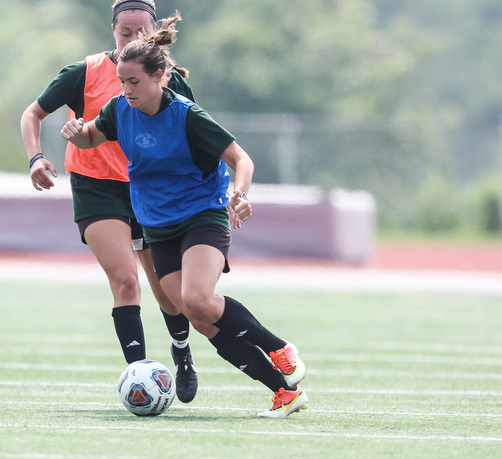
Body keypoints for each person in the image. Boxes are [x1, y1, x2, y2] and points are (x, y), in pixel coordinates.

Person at [60, 13, 309, 418]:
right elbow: (92, 135)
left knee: (197, 298)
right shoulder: (120, 108)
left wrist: (239, 194)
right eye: (122, 81)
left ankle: (279, 347)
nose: (126, 89)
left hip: (201, 217)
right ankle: (284, 392)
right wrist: (77, 133)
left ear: (160, 76)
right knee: (200, 318)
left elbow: (240, 159)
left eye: (134, 81)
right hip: (158, 227)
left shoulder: (187, 115)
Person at [20, 0, 204, 403]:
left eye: (141, 33)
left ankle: (182, 353)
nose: (132, 40)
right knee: (125, 280)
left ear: (154, 34)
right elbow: (32, 114)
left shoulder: (167, 79)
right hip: (96, 186)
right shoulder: (84, 71)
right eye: (125, 33)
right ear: (112, 31)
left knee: (169, 292)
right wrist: (36, 157)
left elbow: (197, 139)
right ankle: (138, 377)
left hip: (153, 189)